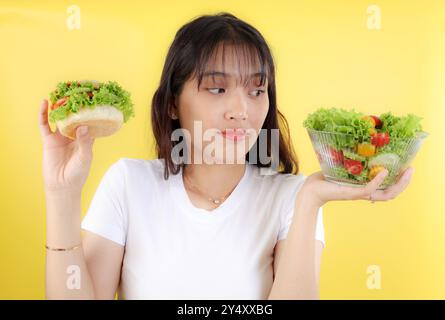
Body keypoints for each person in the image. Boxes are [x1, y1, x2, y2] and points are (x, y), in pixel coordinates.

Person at [39, 12, 414, 300]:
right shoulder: (129, 184)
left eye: (256, 90)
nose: (242, 110)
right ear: (173, 103)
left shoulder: (292, 197)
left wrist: (311, 199)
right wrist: (62, 194)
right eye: (217, 89)